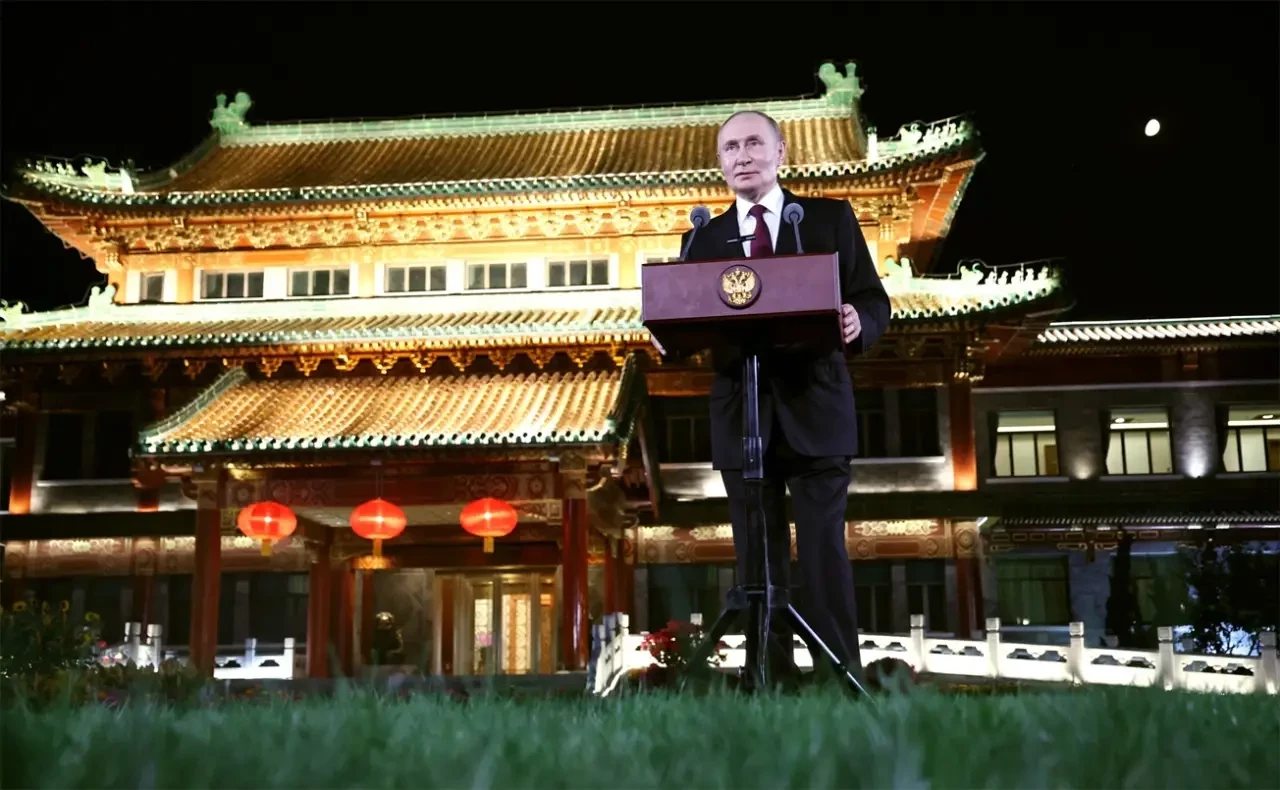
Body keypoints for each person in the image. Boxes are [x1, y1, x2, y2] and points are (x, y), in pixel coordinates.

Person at [671, 109, 891, 686]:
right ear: (720, 163)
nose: (742, 156)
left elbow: (874, 299)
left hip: (817, 408)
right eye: (730, 148)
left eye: (753, 144)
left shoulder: (825, 219)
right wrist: (666, 332)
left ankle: (840, 678)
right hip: (741, 415)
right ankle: (768, 678)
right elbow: (682, 313)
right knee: (757, 558)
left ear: (780, 153)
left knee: (823, 551)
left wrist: (858, 319)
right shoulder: (702, 238)